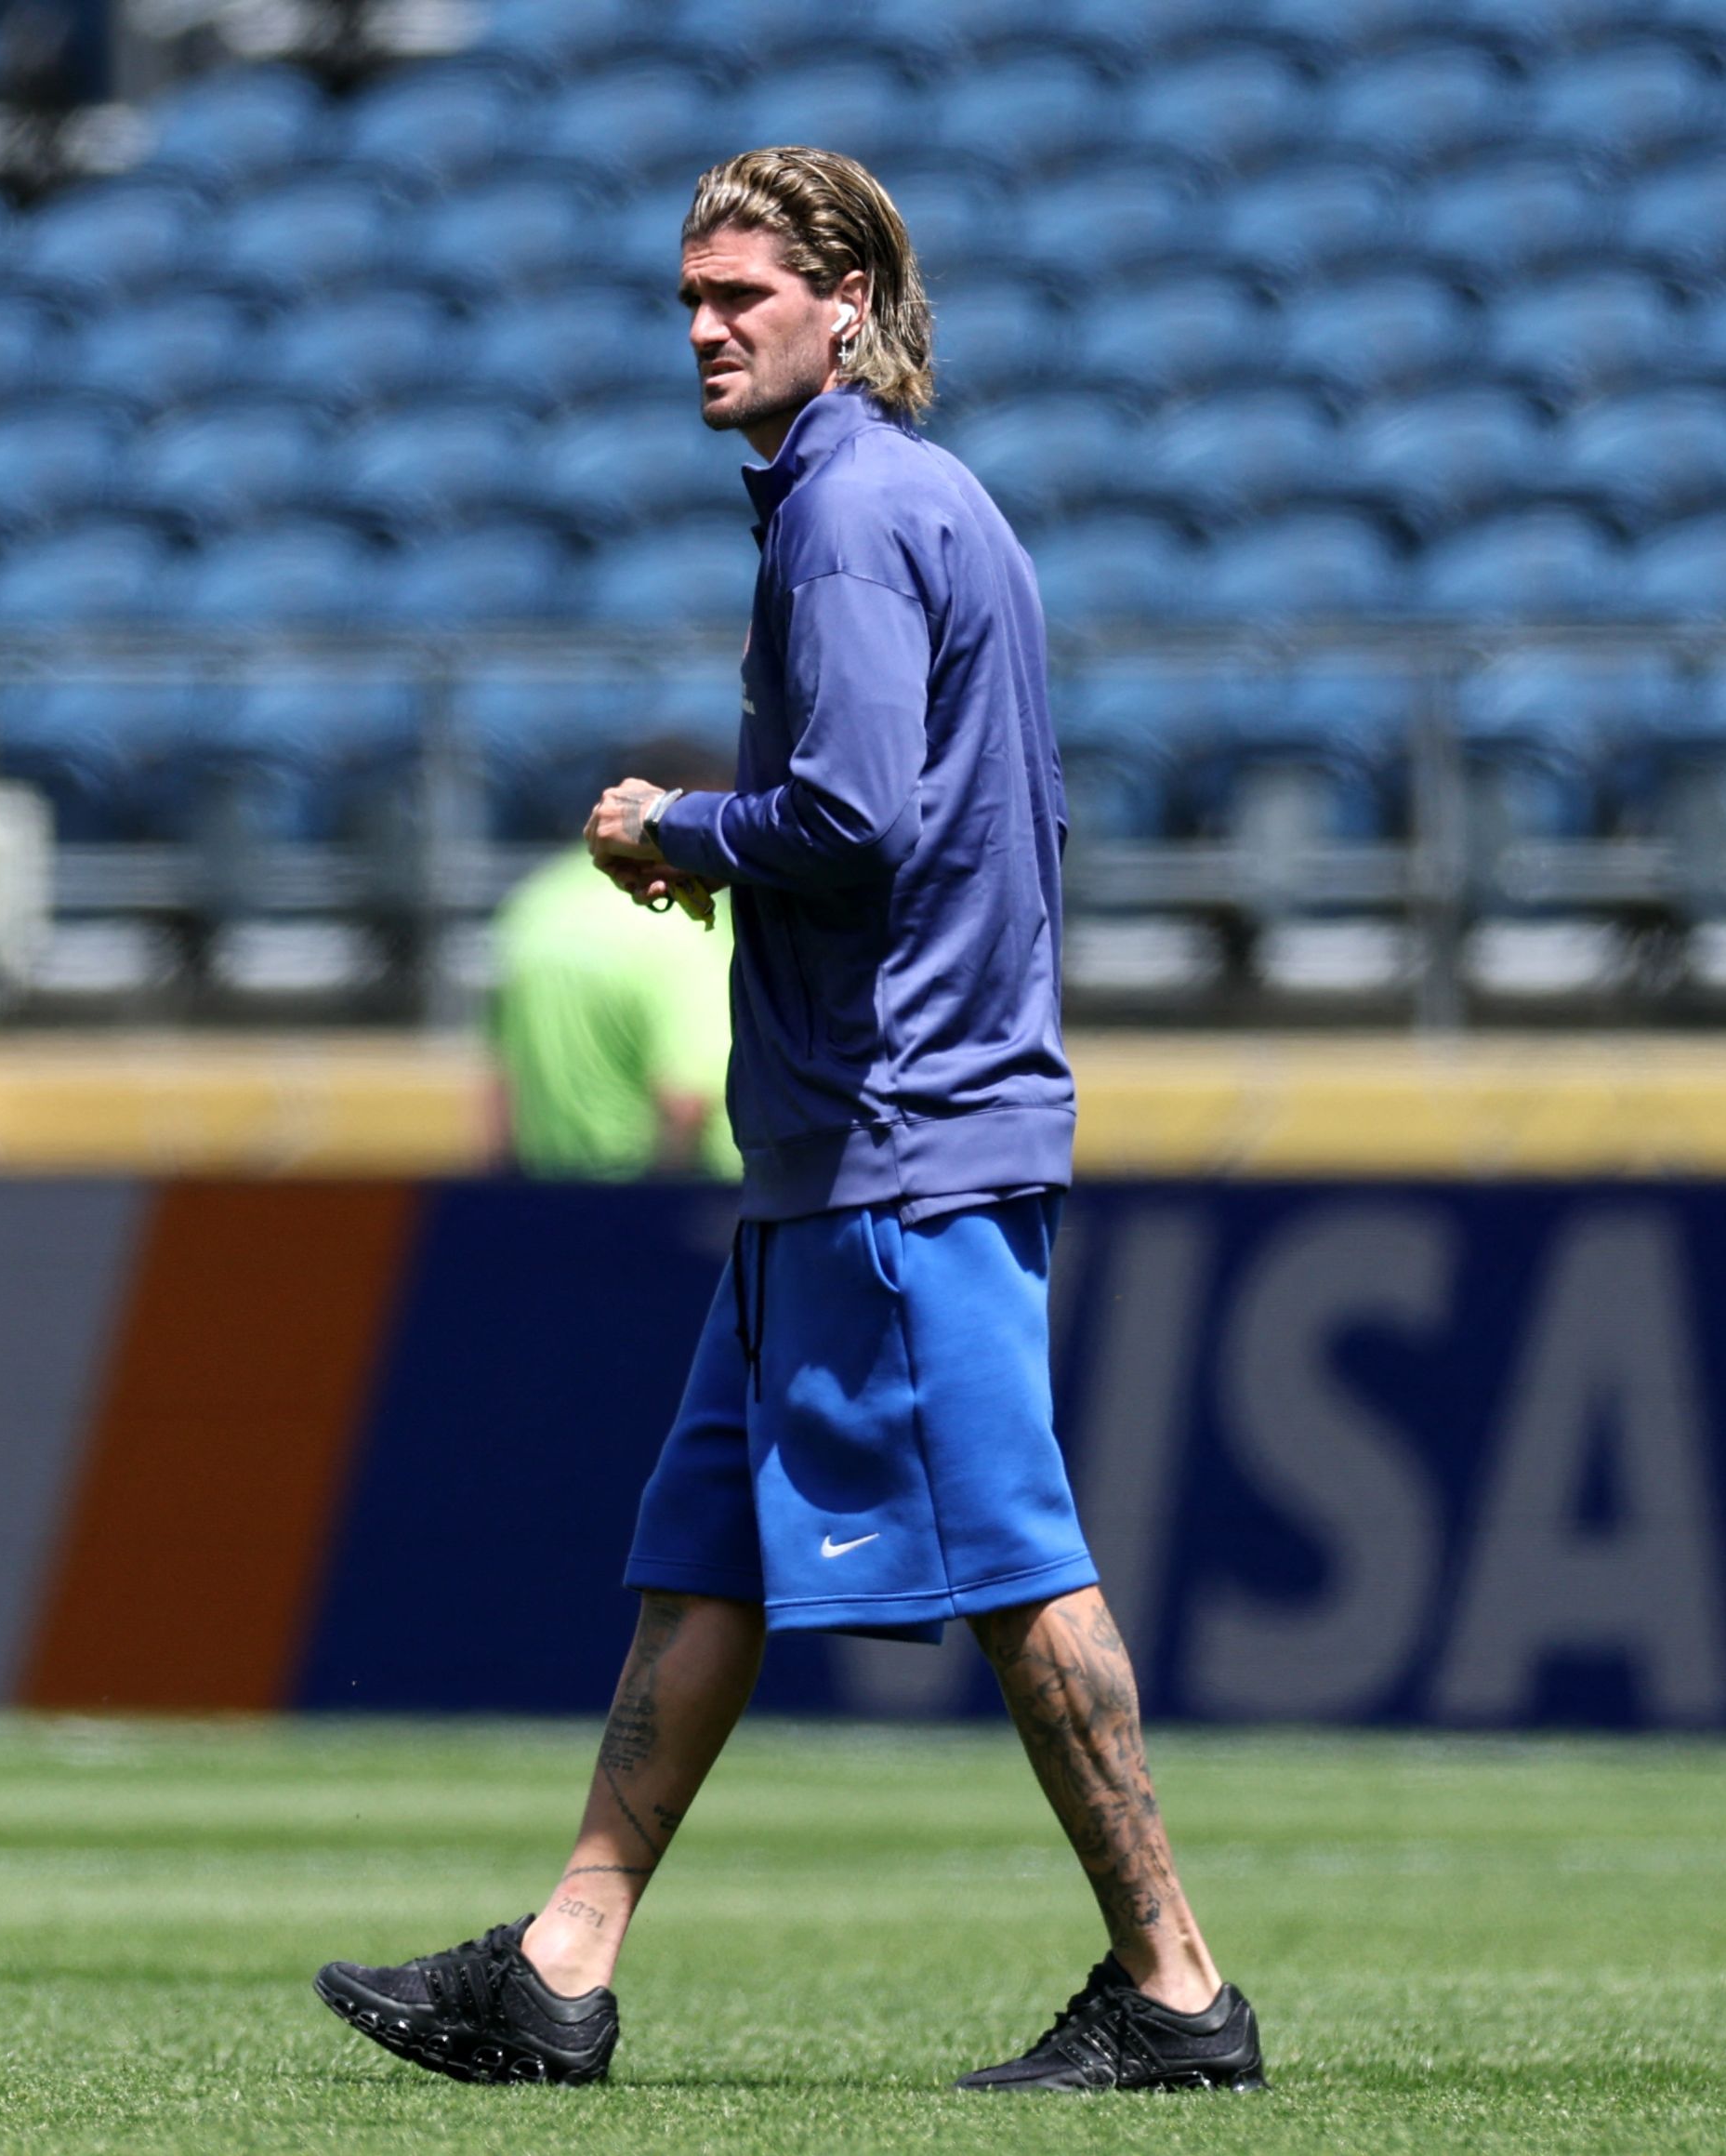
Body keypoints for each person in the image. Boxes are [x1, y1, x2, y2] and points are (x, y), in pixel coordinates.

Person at [313, 148, 1264, 2096]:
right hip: (857, 1132)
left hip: (896, 1135)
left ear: (846, 304)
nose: (702, 327)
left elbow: (852, 812)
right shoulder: (918, 497)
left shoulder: (842, 513)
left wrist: (673, 827)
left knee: (1014, 1561)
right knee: (707, 1555)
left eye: (738, 293)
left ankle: (1175, 1987)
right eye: (687, 295)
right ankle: (559, 1965)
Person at [488, 741, 744, 1183]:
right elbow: (685, 1101)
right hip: (685, 1197)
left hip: (553, 1193)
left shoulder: (533, 906)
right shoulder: (682, 920)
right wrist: (658, 1212)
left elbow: (500, 1082)